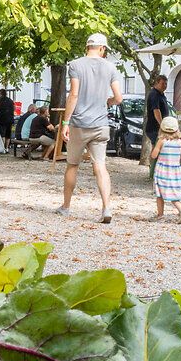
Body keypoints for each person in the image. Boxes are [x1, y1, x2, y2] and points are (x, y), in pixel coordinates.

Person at [59, 33, 123, 222]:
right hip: (100, 124)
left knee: (72, 165)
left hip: (79, 124)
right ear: (103, 48)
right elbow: (119, 98)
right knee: (100, 166)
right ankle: (106, 208)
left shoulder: (76, 65)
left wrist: (65, 122)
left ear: (87, 47)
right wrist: (108, 102)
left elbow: (74, 95)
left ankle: (66, 206)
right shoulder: (111, 67)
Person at [151, 115, 181, 223]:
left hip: (162, 171)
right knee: (173, 193)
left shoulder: (161, 141)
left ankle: (160, 215)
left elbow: (153, 155)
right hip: (175, 172)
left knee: (160, 193)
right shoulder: (179, 142)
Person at [146, 73, 170, 150]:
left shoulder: (161, 94)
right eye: (163, 83)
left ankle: (155, 161)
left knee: (159, 148)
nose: (165, 86)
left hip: (159, 127)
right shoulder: (154, 94)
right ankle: (153, 162)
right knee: (156, 148)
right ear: (157, 83)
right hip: (155, 128)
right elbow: (156, 111)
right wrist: (162, 125)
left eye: (166, 84)